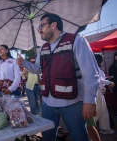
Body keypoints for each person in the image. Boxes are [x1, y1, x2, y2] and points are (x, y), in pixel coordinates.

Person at [17, 13, 99, 141]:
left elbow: (90, 73)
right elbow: (38, 69)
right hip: (48, 104)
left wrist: (89, 101)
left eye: (41, 26)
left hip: (72, 103)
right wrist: (24, 63)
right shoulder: (43, 48)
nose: (39, 30)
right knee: (47, 137)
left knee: (80, 137)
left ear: (53, 25)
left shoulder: (76, 40)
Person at [93, 54, 115, 134]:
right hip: (97, 92)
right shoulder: (95, 68)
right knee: (98, 111)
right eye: (102, 60)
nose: (103, 61)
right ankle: (88, 128)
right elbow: (99, 80)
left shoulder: (97, 68)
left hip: (100, 91)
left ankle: (105, 128)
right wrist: (108, 82)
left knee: (104, 112)